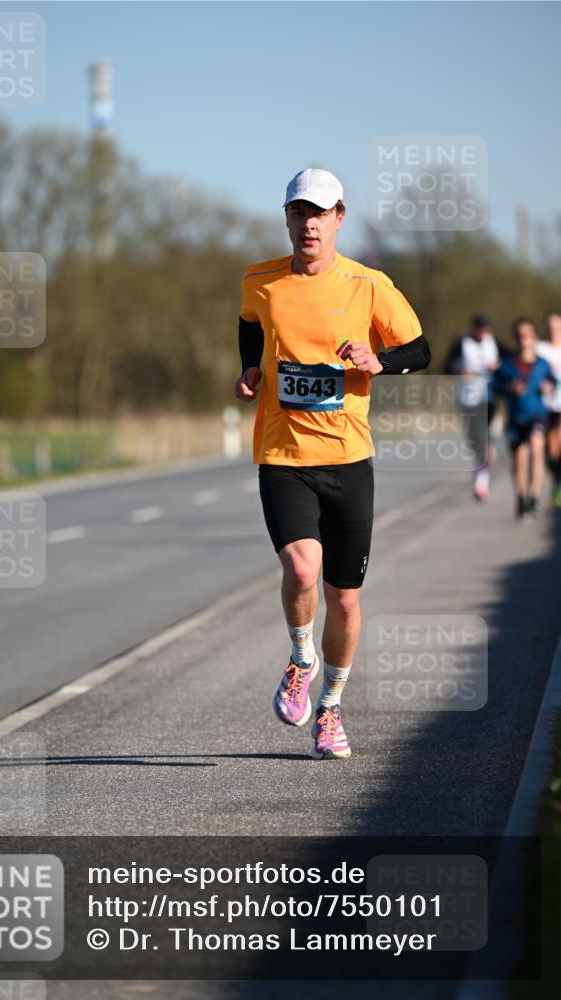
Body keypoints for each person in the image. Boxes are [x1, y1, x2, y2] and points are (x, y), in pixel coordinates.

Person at [234, 167, 430, 760]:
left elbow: (419, 348)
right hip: (283, 454)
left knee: (345, 598)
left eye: (320, 213)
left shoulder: (368, 285)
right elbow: (249, 324)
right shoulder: (261, 280)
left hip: (349, 460)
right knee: (300, 569)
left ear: (339, 218)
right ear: (287, 218)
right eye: (299, 213)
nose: (309, 224)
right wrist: (250, 367)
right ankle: (300, 659)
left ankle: (331, 708)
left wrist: (380, 361)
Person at [494, 318, 557, 520]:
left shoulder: (542, 364)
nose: (524, 340)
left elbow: (553, 382)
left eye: (527, 336)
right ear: (516, 339)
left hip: (537, 415)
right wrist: (509, 388)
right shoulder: (508, 364)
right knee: (519, 460)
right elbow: (495, 386)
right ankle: (521, 497)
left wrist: (549, 387)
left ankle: (535, 497)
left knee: (537, 451)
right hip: (515, 417)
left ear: (534, 338)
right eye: (520, 336)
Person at [444, 315, 501, 500]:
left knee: (481, 437)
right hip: (467, 398)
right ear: (474, 329)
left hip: (488, 398)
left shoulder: (495, 343)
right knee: (473, 439)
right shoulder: (462, 343)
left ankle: (481, 480)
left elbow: (510, 363)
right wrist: (459, 371)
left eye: (486, 329)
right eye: (479, 329)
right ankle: (483, 462)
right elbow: (446, 366)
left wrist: (498, 368)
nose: (482, 333)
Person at [535, 311, 561, 506]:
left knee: (558, 442)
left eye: (557, 326)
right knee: (550, 449)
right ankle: (556, 480)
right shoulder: (540, 348)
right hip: (544, 404)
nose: (554, 329)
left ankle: (559, 483)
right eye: (550, 326)